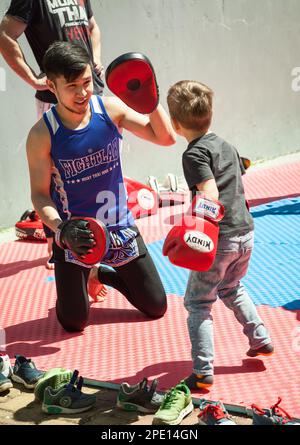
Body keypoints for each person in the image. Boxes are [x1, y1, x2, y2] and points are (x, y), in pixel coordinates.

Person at [26, 41, 176, 332]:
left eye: (86, 82)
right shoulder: (42, 134)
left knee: (156, 306)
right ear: (51, 86)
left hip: (120, 226)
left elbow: (165, 138)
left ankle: (101, 273)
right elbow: (39, 194)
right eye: (72, 86)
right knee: (73, 322)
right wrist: (61, 230)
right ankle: (80, 274)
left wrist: (151, 102)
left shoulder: (109, 109)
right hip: (76, 235)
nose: (83, 92)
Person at [166, 80, 274, 389]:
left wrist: (194, 230)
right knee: (232, 288)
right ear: (210, 114)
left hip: (222, 239)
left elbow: (210, 194)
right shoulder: (227, 145)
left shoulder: (193, 154)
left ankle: (202, 371)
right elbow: (241, 170)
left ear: (175, 124)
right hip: (246, 233)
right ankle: (261, 339)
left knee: (198, 303)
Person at [0, 0, 104, 270]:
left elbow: (92, 27)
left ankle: (101, 239)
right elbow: (5, 33)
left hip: (90, 92)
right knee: (56, 172)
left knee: (99, 166)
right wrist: (33, 78)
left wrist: (96, 61)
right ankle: (56, 244)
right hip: (56, 98)